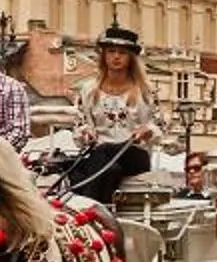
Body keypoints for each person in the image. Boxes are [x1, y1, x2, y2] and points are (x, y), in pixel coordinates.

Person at [61, 25, 159, 204]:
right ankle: (100, 210)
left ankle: (84, 206)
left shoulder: (145, 91)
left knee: (104, 152)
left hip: (134, 154)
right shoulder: (89, 90)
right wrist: (85, 133)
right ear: (104, 56)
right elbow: (80, 124)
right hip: (101, 157)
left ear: (131, 58)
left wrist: (148, 131)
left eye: (122, 52)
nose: (116, 56)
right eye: (111, 51)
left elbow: (160, 125)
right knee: (109, 167)